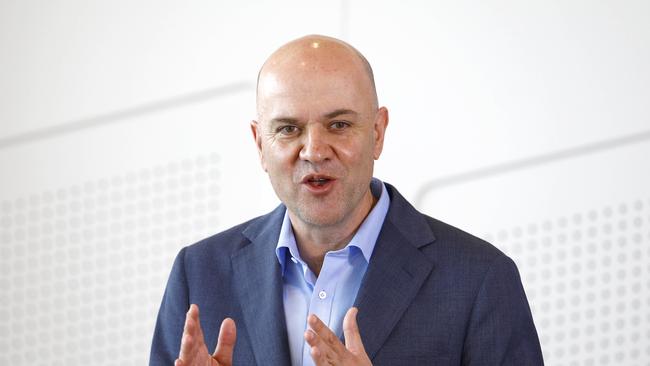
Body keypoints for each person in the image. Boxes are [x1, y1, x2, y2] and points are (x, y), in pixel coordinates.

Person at [149, 35, 544, 366]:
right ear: (259, 144)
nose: (314, 150)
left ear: (377, 132)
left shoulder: (479, 279)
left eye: (338, 125)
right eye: (288, 129)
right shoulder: (198, 274)